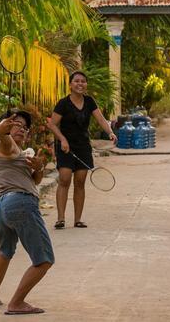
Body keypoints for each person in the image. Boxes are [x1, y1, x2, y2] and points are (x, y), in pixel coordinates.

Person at [0, 109, 54, 315]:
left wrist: (39, 167)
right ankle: (17, 302)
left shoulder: (19, 153)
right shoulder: (6, 145)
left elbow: (34, 181)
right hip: (20, 203)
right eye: (16, 124)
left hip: (2, 205)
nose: (21, 129)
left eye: (24, 127)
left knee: (5, 251)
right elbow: (1, 135)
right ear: (6, 125)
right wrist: (2, 130)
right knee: (44, 259)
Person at [48, 71, 117, 229]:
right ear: (70, 84)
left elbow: (100, 119)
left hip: (83, 147)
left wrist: (110, 132)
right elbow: (51, 124)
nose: (80, 84)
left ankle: (78, 219)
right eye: (77, 81)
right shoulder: (63, 103)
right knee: (64, 179)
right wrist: (62, 139)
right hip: (65, 148)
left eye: (83, 81)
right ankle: (60, 219)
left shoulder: (89, 101)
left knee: (80, 182)